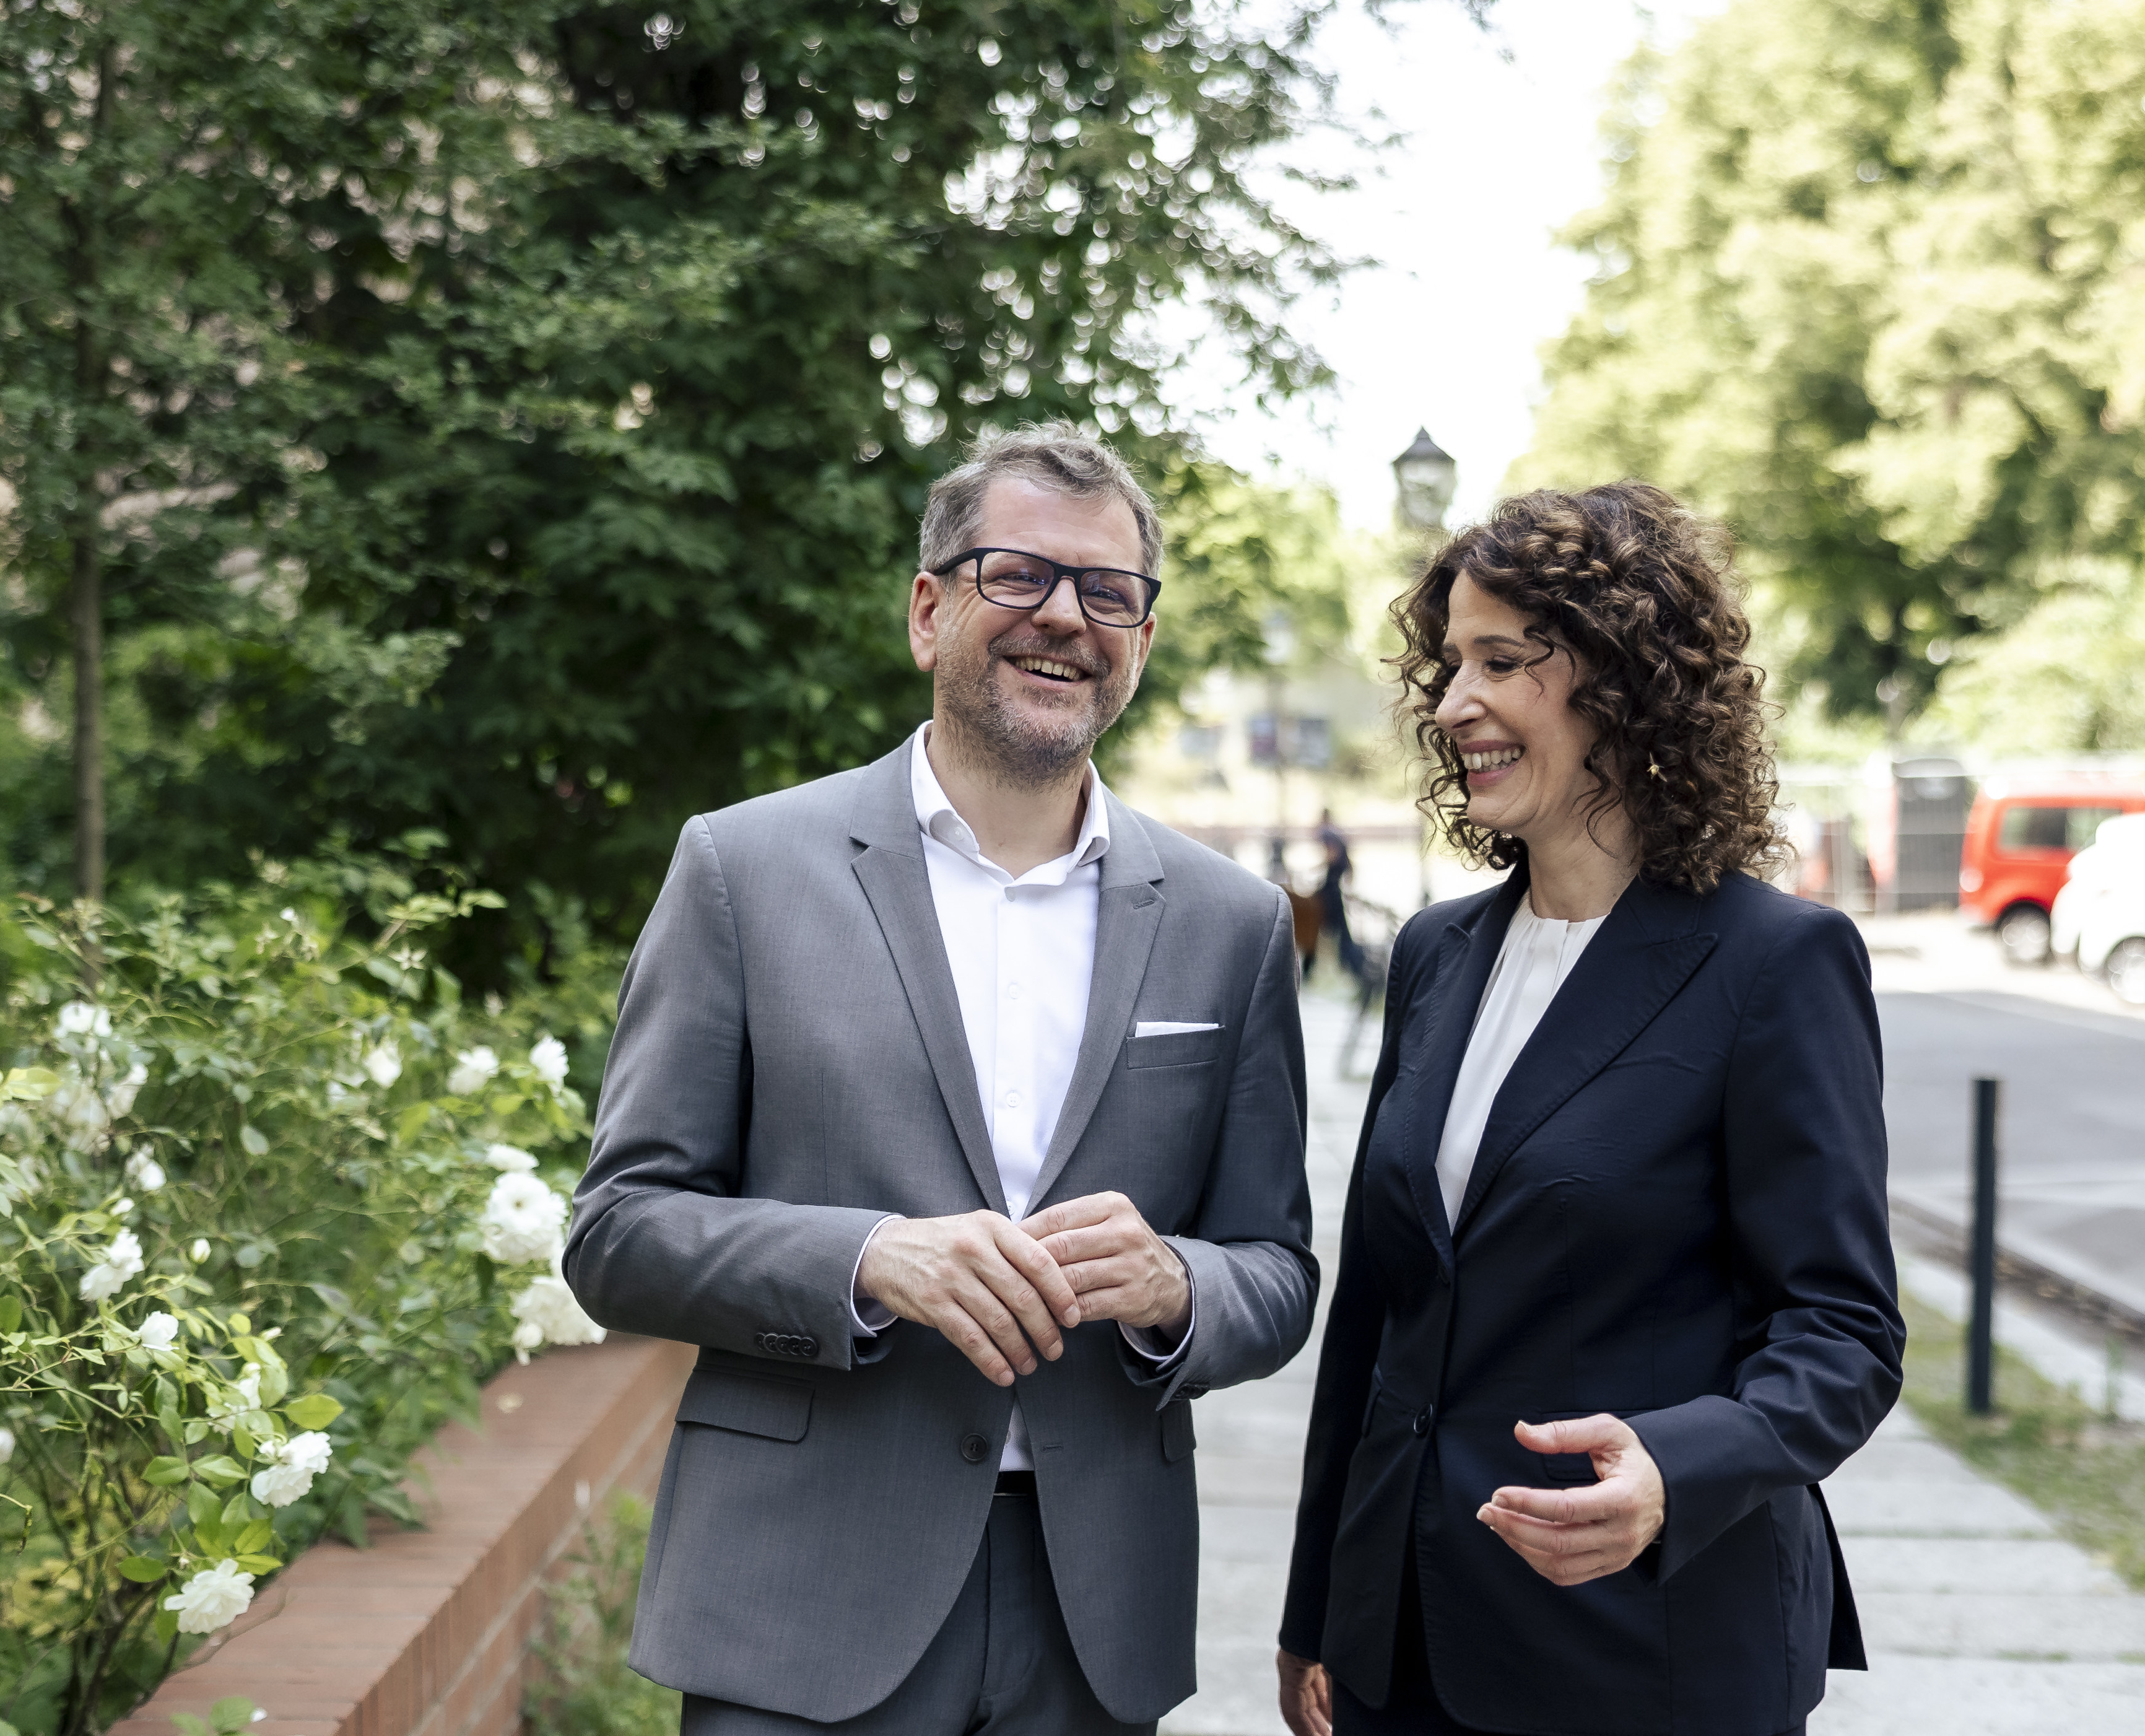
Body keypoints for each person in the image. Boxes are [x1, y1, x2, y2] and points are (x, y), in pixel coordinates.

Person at [567, 424, 1318, 1736]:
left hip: (1092, 1619)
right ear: (930, 610)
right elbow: (618, 1234)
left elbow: (1277, 1270)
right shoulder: (743, 870)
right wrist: (869, 1260)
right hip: (800, 1598)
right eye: (1017, 574)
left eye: (1108, 592)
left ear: (1139, 636)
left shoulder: (1229, 919)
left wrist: (1172, 1285)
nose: (1065, 618)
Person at [1274, 484, 1901, 1736]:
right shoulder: (1436, 955)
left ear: (1626, 684)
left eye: (1503, 661)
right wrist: (1316, 1613)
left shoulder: (1774, 962)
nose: (1454, 704)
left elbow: (1841, 1331)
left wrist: (1681, 1466)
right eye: (1451, 662)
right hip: (1405, 1645)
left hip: (1644, 1650)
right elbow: (1380, 1320)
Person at [1315, 809, 1368, 991]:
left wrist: (1314, 869)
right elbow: (1349, 864)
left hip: (1330, 892)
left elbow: (1333, 857)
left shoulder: (1328, 835)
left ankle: (1357, 969)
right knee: (1340, 934)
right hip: (1334, 889)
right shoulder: (1337, 835)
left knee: (1337, 934)